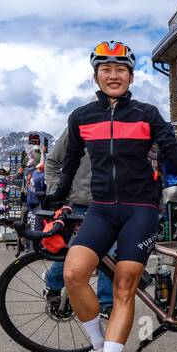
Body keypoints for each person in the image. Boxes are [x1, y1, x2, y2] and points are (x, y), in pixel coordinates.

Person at [43, 40, 177, 352]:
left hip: (141, 208)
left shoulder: (146, 113)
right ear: (96, 75)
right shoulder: (81, 117)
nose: (113, 75)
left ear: (130, 75)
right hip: (101, 208)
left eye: (120, 69)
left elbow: (174, 153)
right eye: (106, 69)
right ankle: (98, 345)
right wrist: (55, 196)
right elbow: (71, 161)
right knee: (74, 273)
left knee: (125, 284)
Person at [44, 122, 114, 314]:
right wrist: (59, 191)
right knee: (76, 254)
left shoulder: (127, 124)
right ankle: (53, 281)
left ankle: (106, 305)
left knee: (111, 255)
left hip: (116, 204)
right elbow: (52, 162)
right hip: (83, 204)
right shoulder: (80, 125)